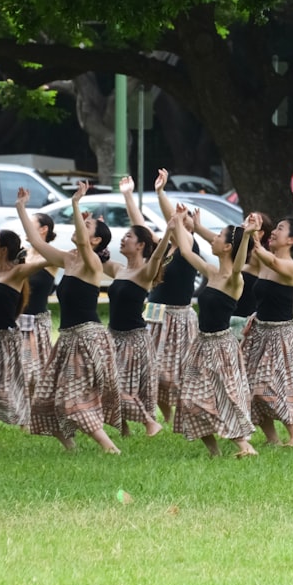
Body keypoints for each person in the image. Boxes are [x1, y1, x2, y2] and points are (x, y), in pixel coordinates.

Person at [17, 182, 122, 453]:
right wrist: (21, 208)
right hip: (67, 339)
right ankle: (71, 449)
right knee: (46, 398)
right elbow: (37, 241)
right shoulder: (69, 259)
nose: (81, 226)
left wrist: (76, 204)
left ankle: (110, 449)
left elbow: (85, 244)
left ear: (97, 241)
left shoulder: (92, 262)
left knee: (72, 399)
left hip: (87, 338)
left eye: (87, 227)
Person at [171, 208, 260, 457]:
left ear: (229, 247)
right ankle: (214, 452)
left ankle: (244, 446)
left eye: (219, 236)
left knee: (225, 397)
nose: (214, 239)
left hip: (221, 347)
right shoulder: (212, 273)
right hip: (201, 345)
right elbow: (186, 251)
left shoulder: (235, 279)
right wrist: (178, 221)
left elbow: (239, 263)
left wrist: (247, 235)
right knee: (189, 398)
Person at [126, 169, 207, 426]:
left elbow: (170, 218)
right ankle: (168, 416)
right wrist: (128, 195)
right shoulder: (164, 246)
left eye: (179, 221)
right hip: (154, 312)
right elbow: (140, 227)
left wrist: (161, 193)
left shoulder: (189, 244)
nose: (174, 222)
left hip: (178, 316)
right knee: (152, 369)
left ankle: (183, 414)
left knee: (175, 373)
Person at [0, 212, 53, 429]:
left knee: (31, 373)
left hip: (32, 323)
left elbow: (54, 257)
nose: (27, 228)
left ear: (43, 229)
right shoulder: (3, 265)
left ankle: (28, 415)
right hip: (2, 327)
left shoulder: (34, 263)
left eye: (32, 224)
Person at [241, 216, 293, 446]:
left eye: (280, 229)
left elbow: (272, 262)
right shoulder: (263, 260)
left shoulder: (290, 266)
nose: (274, 231)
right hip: (260, 333)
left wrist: (254, 235)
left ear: (291, 240)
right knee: (250, 386)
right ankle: (272, 438)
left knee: (268, 386)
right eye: (275, 228)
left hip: (280, 337)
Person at [111, 175, 176, 436]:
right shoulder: (118, 268)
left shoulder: (150, 268)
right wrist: (128, 195)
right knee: (109, 383)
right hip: (114, 335)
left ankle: (151, 422)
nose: (124, 238)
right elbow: (143, 232)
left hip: (135, 336)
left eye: (129, 237)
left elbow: (156, 250)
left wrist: (171, 230)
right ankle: (123, 427)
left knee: (121, 384)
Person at [229, 211, 274, 340]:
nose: (243, 225)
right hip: (233, 319)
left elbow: (264, 259)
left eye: (249, 222)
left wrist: (253, 235)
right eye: (244, 222)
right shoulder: (242, 252)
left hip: (247, 323)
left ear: (261, 233)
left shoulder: (259, 256)